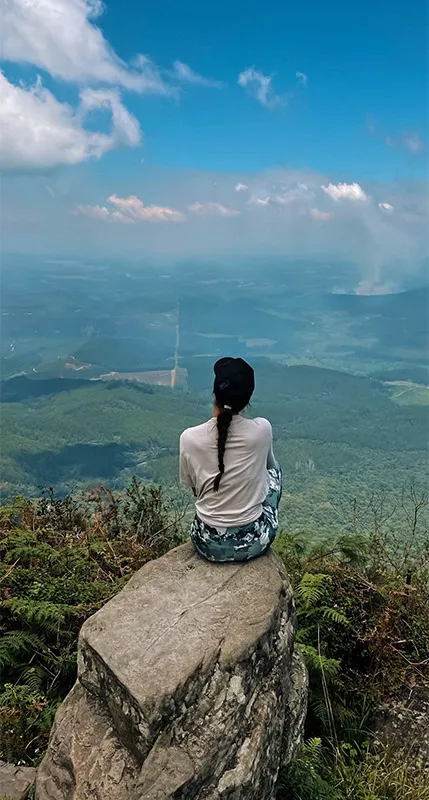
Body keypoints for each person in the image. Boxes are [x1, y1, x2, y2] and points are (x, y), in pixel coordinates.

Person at [179, 357, 282, 562]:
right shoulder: (263, 429)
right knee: (274, 471)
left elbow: (195, 490)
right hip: (253, 542)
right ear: (248, 399)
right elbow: (269, 467)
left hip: (206, 542)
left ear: (214, 393)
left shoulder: (189, 438)